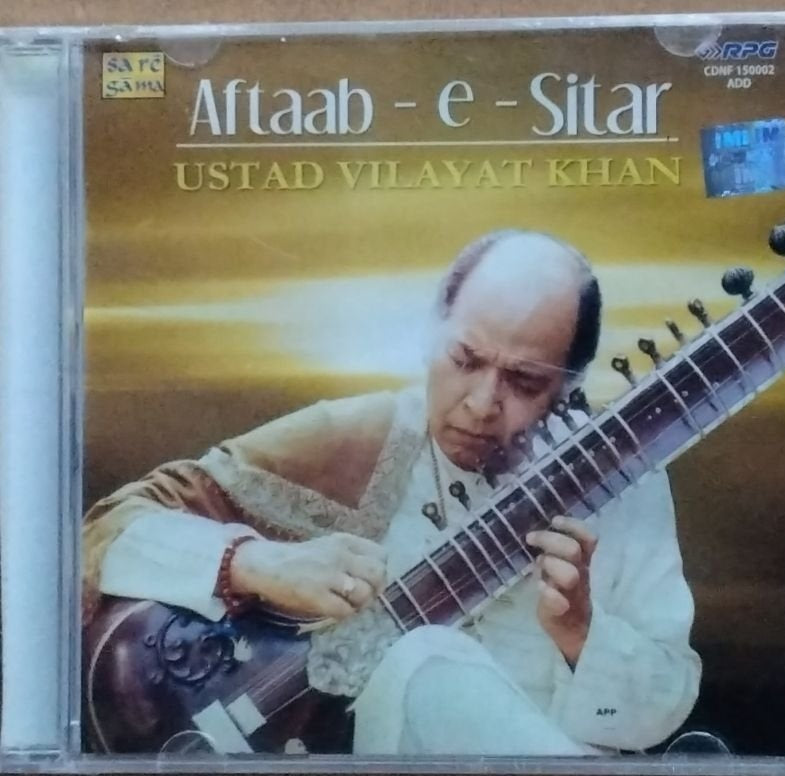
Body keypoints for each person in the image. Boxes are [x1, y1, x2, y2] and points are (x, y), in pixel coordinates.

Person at [83, 229, 701, 756]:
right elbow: (106, 529)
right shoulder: (356, 439)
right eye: (465, 359)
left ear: (571, 385)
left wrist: (580, 633)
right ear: (432, 333)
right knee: (424, 659)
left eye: (524, 381)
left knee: (429, 658)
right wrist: (257, 563)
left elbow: (660, 712)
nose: (482, 403)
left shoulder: (626, 481)